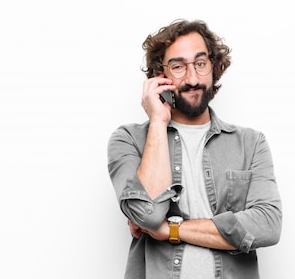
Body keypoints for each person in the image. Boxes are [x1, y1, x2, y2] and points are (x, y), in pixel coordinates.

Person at [107, 19, 283, 279]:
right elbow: (150, 214)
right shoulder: (128, 139)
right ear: (160, 75)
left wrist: (172, 230)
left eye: (200, 64)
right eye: (178, 66)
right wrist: (158, 121)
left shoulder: (250, 143)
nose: (192, 78)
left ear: (213, 66)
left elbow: (268, 225)